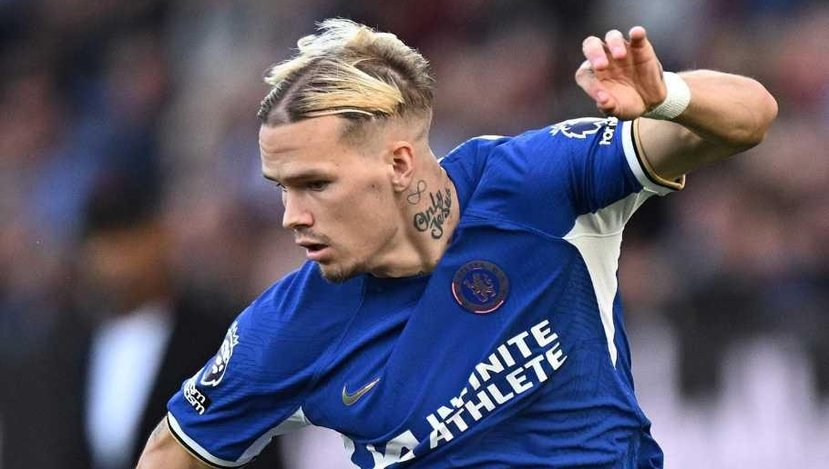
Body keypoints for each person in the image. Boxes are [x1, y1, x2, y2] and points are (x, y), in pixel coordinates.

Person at [137, 18, 777, 468]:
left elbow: (752, 117)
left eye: (315, 184)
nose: (290, 217)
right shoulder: (285, 330)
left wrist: (668, 98)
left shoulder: (533, 185)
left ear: (397, 163)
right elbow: (173, 451)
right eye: (281, 188)